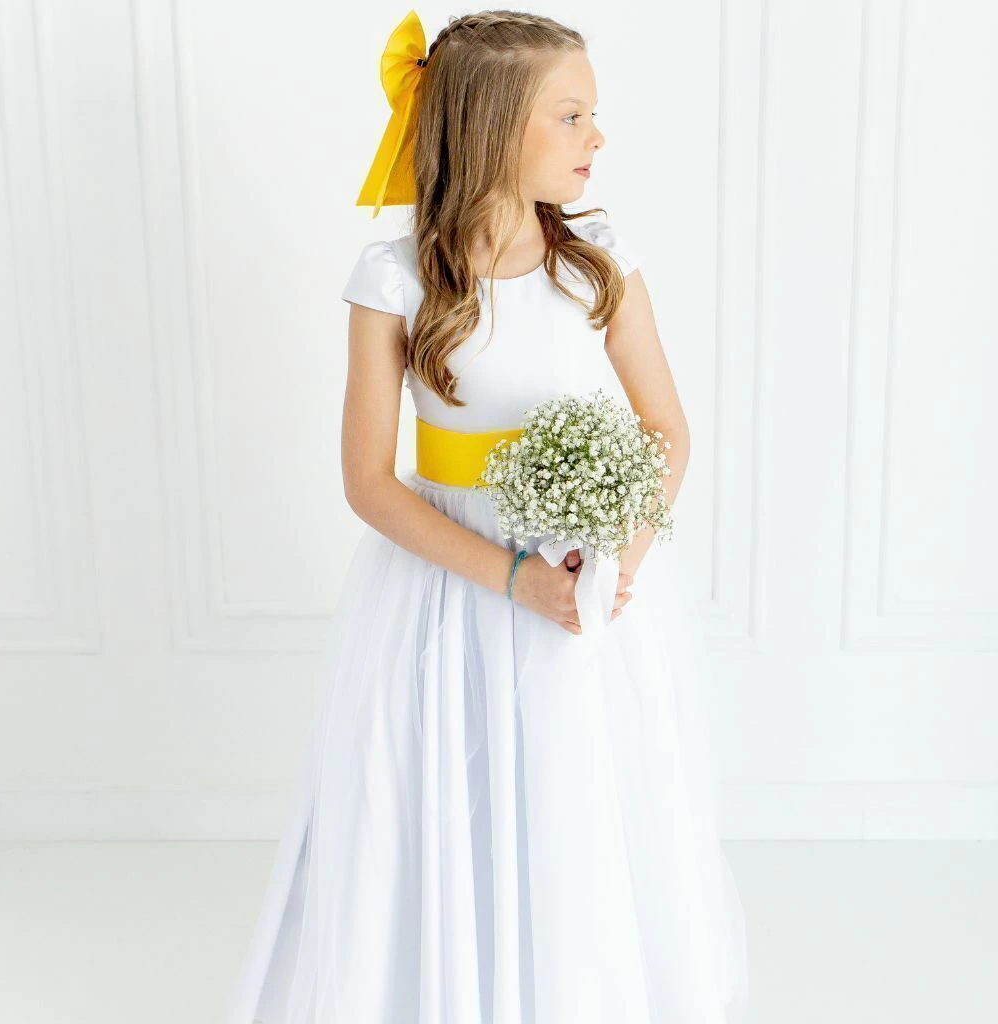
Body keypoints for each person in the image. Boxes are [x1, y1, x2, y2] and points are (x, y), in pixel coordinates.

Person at [227, 9, 749, 1023]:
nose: (597, 137)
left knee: (575, 790)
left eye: (593, 115)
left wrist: (613, 566)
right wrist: (514, 579)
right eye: (571, 116)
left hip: (588, 582)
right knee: (440, 792)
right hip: (447, 588)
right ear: (495, 125)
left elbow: (667, 431)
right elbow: (369, 481)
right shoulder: (396, 279)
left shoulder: (598, 261)